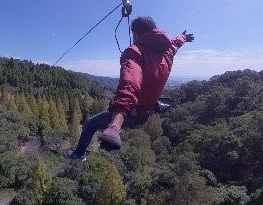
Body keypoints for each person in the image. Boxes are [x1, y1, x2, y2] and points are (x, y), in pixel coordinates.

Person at [68, 16, 194, 161]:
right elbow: (175, 43)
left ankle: (78, 155)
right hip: (146, 112)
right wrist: (183, 37)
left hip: (133, 114)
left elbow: (129, 85)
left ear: (136, 34)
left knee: (90, 125)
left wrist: (115, 126)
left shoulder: (134, 52)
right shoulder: (167, 51)